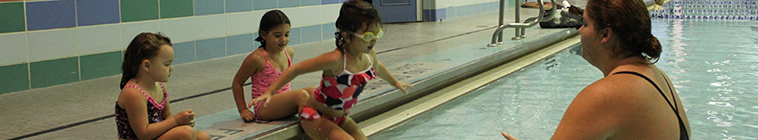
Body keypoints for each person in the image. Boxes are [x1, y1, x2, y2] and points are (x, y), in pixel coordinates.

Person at [502, 0, 690, 139]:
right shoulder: (659, 77)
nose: (579, 31)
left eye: (585, 24)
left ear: (605, 34)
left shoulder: (605, 95)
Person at [251, 1, 413, 139]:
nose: (374, 40)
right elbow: (296, 70)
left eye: (377, 33)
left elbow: (378, 68)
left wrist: (395, 82)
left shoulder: (369, 55)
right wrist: (270, 92)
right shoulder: (335, 60)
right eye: (367, 36)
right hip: (314, 115)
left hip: (340, 116)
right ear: (347, 36)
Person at [115, 32, 210, 140]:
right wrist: (175, 121)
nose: (171, 68)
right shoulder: (133, 93)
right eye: (166, 64)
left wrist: (181, 123)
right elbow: (143, 134)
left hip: (155, 136)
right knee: (185, 134)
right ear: (147, 65)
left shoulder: (161, 86)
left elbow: (167, 117)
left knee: (203, 137)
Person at [231, 10, 314, 122]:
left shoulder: (289, 53)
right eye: (277, 35)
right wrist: (243, 110)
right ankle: (314, 131)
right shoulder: (257, 58)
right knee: (301, 95)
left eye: (286, 34)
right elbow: (237, 83)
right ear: (263, 35)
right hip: (264, 107)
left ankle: (320, 127)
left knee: (315, 92)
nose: (283, 39)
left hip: (282, 104)